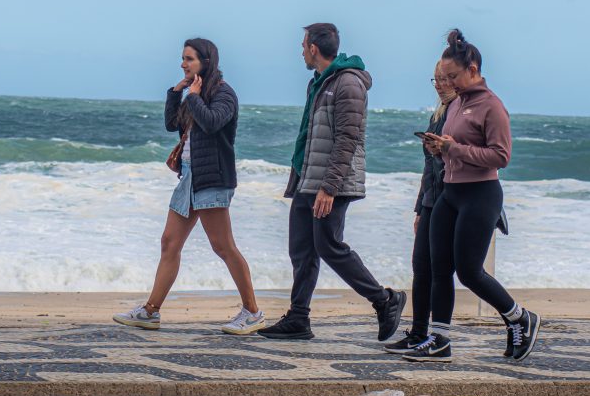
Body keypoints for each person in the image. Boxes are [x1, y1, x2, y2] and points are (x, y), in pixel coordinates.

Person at [259, 23, 406, 341]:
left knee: (329, 246)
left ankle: (384, 300)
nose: (300, 50)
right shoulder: (319, 82)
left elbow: (347, 139)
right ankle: (298, 318)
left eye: (302, 44)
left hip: (331, 183)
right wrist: (301, 178)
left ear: (313, 47)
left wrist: (329, 187)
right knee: (301, 250)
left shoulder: (348, 83)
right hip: (307, 179)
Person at [404, 29, 540, 363]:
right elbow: (453, 152)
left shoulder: (492, 106)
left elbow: (501, 156)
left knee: (469, 271)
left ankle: (519, 316)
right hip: (450, 192)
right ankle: (440, 340)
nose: (449, 83)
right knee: (438, 270)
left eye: (453, 76)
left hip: (480, 195)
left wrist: (454, 148)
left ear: (473, 70)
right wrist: (439, 150)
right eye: (444, 77)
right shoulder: (456, 106)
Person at [113, 38, 265, 335]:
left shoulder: (224, 94)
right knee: (169, 242)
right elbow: (173, 124)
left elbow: (211, 123)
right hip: (189, 178)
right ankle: (150, 312)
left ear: (206, 62)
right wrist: (176, 92)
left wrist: (194, 96)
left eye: (189, 59)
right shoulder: (192, 93)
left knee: (223, 247)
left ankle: (253, 312)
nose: (183, 63)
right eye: (182, 59)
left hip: (212, 179)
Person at [383, 62, 457, 354]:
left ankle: (439, 338)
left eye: (444, 79)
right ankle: (418, 333)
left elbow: (459, 160)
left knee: (442, 270)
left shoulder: (459, 114)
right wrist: (418, 208)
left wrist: (442, 150)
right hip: (430, 200)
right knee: (420, 268)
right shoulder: (437, 114)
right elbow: (428, 168)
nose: (439, 85)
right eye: (435, 80)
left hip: (450, 200)